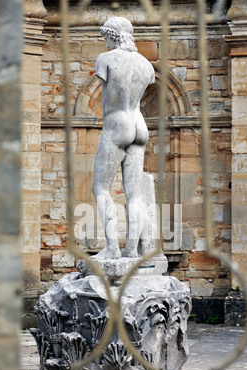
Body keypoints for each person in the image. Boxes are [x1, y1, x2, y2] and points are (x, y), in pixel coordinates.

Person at [92, 17, 155, 259]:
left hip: (117, 125)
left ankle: (111, 249)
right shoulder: (145, 64)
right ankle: (131, 249)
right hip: (140, 126)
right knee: (134, 193)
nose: (105, 43)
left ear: (113, 35)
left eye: (106, 37)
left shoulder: (106, 60)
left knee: (100, 188)